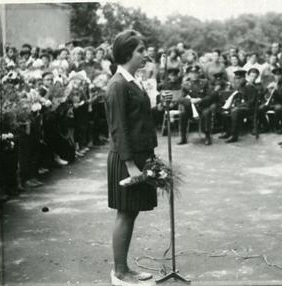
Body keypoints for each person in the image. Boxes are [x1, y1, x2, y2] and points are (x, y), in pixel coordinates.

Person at [105, 30, 157, 285]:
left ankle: (123, 268)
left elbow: (138, 120)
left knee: (131, 211)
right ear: (127, 54)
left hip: (139, 156)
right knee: (125, 212)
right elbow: (118, 129)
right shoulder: (117, 84)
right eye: (140, 50)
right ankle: (120, 272)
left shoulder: (132, 80)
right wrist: (130, 166)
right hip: (128, 160)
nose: (145, 54)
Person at [178, 65, 216, 145]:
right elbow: (180, 99)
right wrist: (190, 100)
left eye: (196, 73)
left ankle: (207, 136)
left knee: (207, 112)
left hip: (202, 107)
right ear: (188, 75)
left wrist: (201, 100)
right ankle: (183, 137)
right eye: (192, 73)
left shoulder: (205, 82)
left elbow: (211, 96)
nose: (194, 75)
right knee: (182, 114)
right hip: (191, 109)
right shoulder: (185, 85)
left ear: (199, 74)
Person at [219, 69, 257, 143]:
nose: (237, 80)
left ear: (244, 78)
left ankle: (234, 135)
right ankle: (228, 132)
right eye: (236, 78)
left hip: (249, 109)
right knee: (224, 111)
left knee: (235, 111)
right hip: (240, 107)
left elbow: (250, 102)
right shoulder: (239, 87)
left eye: (239, 78)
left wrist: (238, 106)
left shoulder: (249, 86)